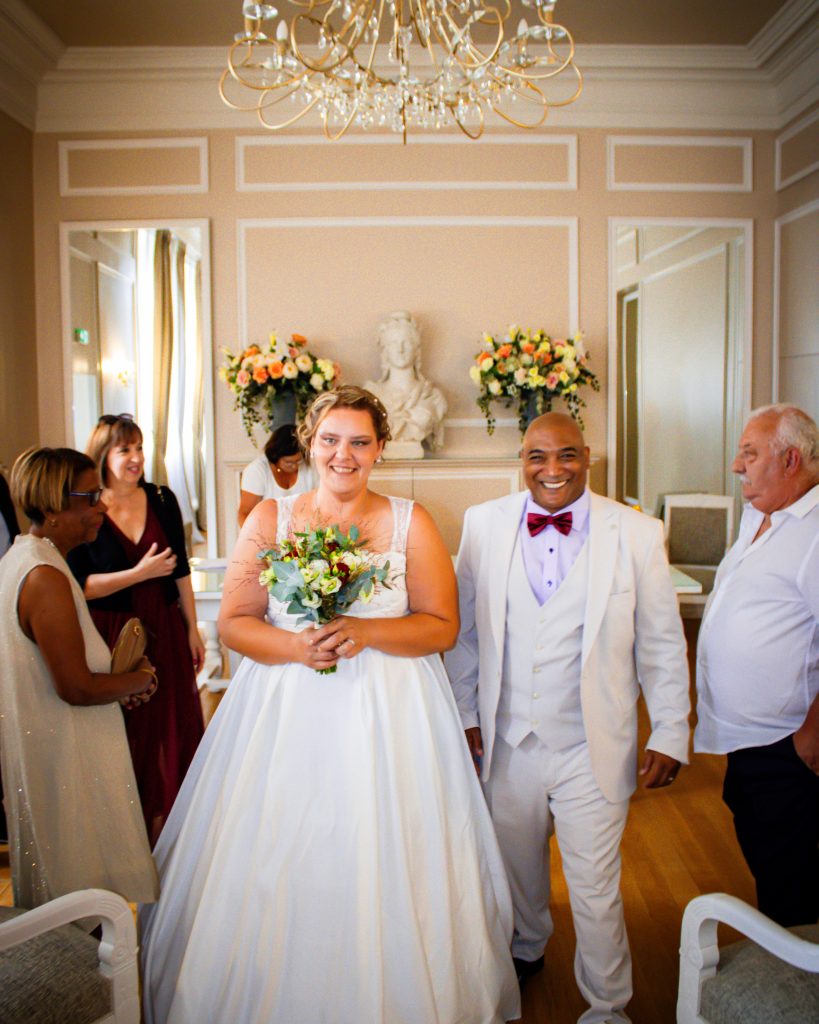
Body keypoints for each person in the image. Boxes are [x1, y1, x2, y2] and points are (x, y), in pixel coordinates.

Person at [139, 385, 520, 1024]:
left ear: (380, 448)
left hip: (394, 712)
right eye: (331, 441)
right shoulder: (270, 519)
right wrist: (296, 647)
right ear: (310, 444)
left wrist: (366, 632)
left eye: (360, 442)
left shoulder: (412, 522)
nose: (344, 455)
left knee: (392, 849)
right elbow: (234, 622)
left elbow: (442, 626)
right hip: (286, 709)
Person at [445, 412, 690, 1024]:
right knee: (516, 868)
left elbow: (662, 643)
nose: (552, 469)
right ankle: (527, 946)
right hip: (506, 737)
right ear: (521, 461)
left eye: (567, 455)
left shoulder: (637, 533)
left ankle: (607, 1006)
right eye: (538, 456)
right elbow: (465, 635)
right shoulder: (483, 524)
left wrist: (670, 730)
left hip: (591, 743)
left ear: (588, 458)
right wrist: (466, 713)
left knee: (595, 886)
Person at [0, 447, 158, 910]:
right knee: (79, 901)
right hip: (65, 764)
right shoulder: (44, 576)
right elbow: (76, 687)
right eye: (90, 497)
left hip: (56, 750)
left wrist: (119, 683)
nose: (102, 507)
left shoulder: (25, 558)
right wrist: (141, 678)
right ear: (53, 505)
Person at [695, 403, 819, 926]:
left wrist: (812, 732)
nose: (736, 465)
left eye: (749, 453)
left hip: (787, 748)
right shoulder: (760, 517)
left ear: (790, 460)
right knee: (773, 868)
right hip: (749, 743)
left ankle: (793, 971)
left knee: (794, 889)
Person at [67, 414, 205, 846]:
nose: (136, 458)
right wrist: (138, 574)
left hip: (165, 623)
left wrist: (193, 627)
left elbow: (180, 569)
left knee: (173, 724)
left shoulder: (162, 498)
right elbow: (78, 585)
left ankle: (175, 832)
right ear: (103, 455)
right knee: (126, 731)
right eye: (125, 449)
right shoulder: (87, 506)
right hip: (112, 632)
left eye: (140, 448)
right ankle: (125, 834)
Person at [363, 310, 447, 458]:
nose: (400, 349)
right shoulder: (371, 396)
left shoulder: (433, 397)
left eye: (406, 343)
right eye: (393, 344)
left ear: (416, 350)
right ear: (385, 351)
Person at [237, 422, 317, 527]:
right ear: (275, 456)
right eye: (289, 462)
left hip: (302, 530)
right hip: (265, 530)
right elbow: (245, 513)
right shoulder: (257, 471)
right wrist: (256, 535)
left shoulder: (310, 466)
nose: (295, 466)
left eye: (298, 461)